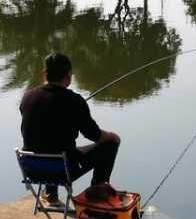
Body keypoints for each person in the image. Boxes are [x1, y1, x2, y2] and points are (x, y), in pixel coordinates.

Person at [20, 53, 121, 206]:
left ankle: (50, 194)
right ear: (68, 77)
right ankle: (97, 191)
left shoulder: (28, 97)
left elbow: (42, 125)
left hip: (32, 168)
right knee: (110, 143)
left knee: (49, 143)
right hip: (62, 170)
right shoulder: (75, 101)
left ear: (45, 74)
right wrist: (112, 136)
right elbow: (94, 135)